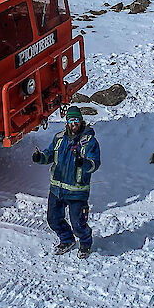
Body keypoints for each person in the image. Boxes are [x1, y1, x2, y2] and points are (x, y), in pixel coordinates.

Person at [32, 106, 100, 258]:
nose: (73, 123)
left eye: (76, 120)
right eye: (70, 120)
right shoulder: (59, 138)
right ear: (66, 122)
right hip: (57, 189)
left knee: (78, 224)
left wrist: (84, 163)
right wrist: (39, 157)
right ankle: (67, 240)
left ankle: (85, 242)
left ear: (81, 121)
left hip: (77, 191)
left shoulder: (89, 141)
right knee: (53, 219)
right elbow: (49, 155)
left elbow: (95, 164)